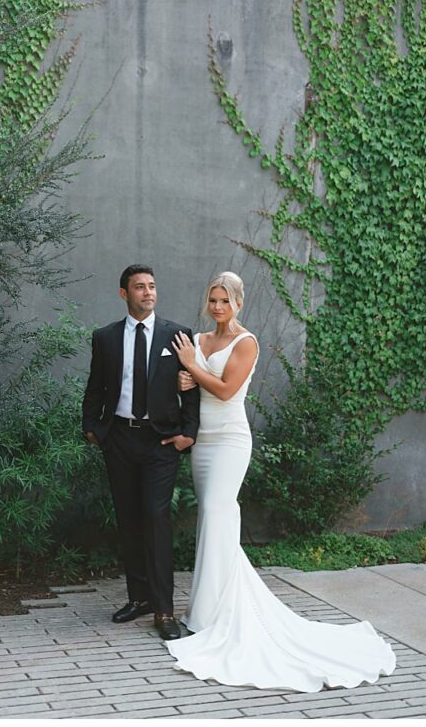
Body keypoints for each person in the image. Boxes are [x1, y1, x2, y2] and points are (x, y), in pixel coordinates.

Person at [165, 272, 396, 691]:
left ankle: (209, 619)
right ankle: (208, 611)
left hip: (231, 442)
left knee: (218, 513)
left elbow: (224, 389)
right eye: (212, 300)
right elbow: (192, 387)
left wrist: (192, 370)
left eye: (224, 301)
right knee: (213, 522)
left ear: (239, 303)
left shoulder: (246, 342)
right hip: (203, 443)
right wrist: (184, 378)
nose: (217, 307)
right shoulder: (197, 341)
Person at [82, 264, 199, 640]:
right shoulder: (105, 338)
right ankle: (139, 598)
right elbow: (95, 386)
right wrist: (93, 428)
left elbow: (192, 386)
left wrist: (188, 433)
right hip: (119, 439)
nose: (148, 293)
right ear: (124, 294)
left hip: (161, 442)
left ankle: (164, 610)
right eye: (139, 287)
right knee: (129, 520)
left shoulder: (176, 334)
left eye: (152, 286)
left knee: (155, 517)